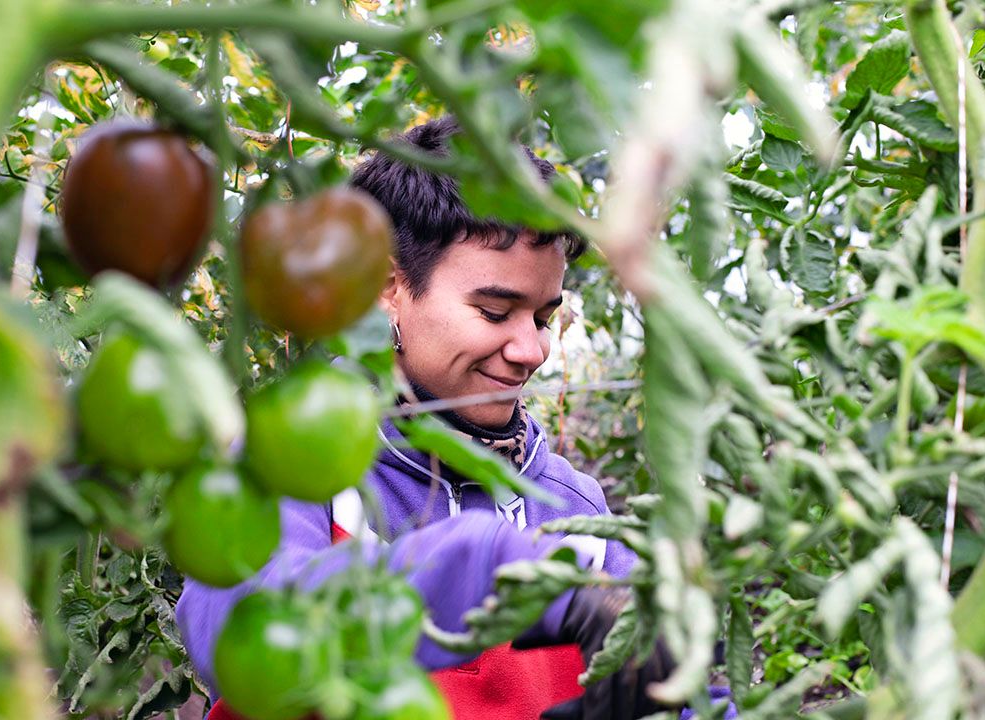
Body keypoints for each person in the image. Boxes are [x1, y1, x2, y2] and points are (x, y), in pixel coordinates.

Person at [176, 117, 725, 720]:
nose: (532, 350)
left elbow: (676, 686)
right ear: (388, 287)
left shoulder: (571, 504)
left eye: (542, 318)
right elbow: (234, 632)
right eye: (494, 312)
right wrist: (485, 566)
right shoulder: (290, 463)